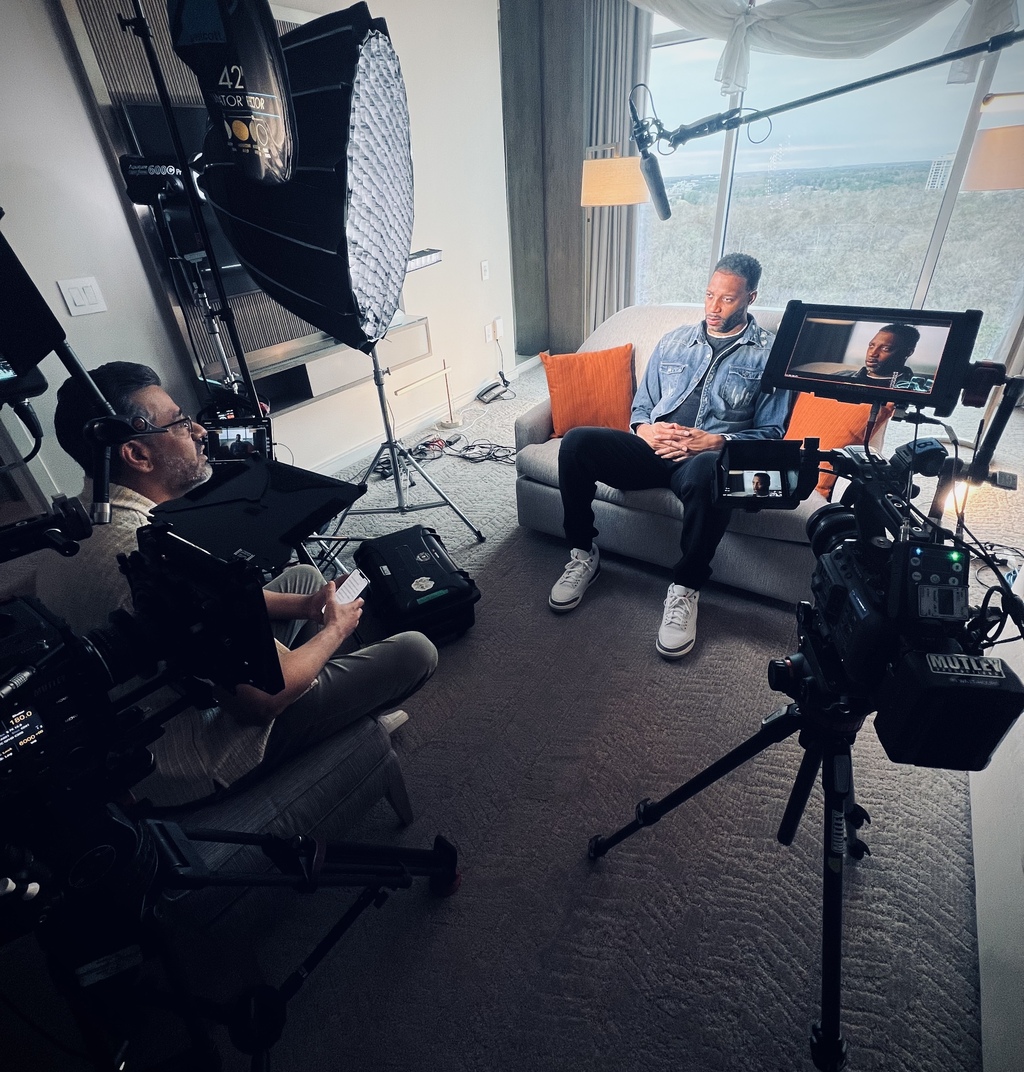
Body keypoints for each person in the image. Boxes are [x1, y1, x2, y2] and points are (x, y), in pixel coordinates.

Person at [38, 361, 437, 805]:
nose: (199, 432)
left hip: (138, 714)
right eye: (180, 423)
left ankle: (337, 703)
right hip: (194, 758)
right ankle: (341, 719)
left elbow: (207, 605)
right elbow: (261, 701)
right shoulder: (154, 557)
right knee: (416, 651)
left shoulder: (72, 525)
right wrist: (335, 628)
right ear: (137, 455)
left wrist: (308, 607)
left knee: (304, 579)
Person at [548, 253, 791, 659]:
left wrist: (714, 442)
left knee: (710, 472)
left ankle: (685, 588)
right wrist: (646, 431)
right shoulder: (674, 340)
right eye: (709, 295)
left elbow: (772, 432)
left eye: (727, 299)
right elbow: (642, 407)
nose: (714, 307)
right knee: (577, 443)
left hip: (703, 460)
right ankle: (583, 554)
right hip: (652, 451)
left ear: (750, 298)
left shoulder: (769, 356)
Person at [797, 323, 932, 392]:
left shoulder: (918, 387)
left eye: (885, 349)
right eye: (871, 346)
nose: (873, 353)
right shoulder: (841, 376)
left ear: (908, 352)